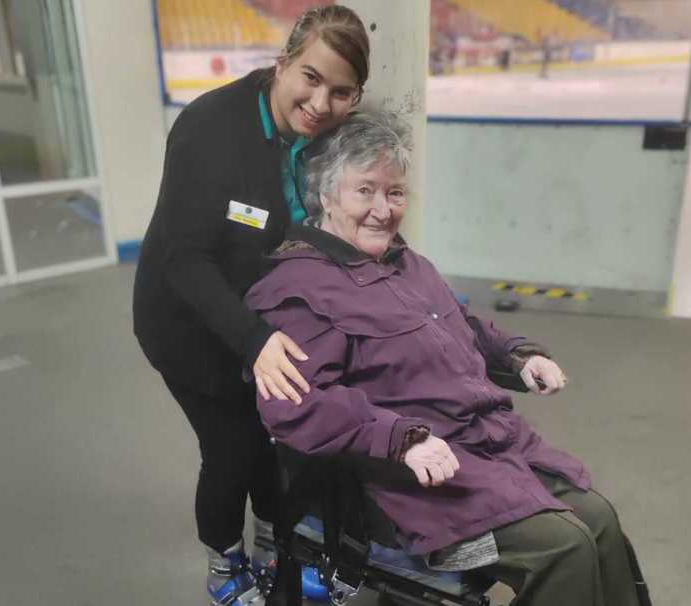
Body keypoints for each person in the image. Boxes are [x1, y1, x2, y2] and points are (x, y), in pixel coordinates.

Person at [244, 112, 647, 606]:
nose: (383, 209)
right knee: (564, 549)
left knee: (599, 520)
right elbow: (295, 403)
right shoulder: (299, 289)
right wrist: (399, 438)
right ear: (326, 196)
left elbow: (458, 327)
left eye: (395, 193)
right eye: (364, 191)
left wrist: (517, 357)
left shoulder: (405, 264)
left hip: (485, 447)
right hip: (404, 481)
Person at [132, 6, 370, 605]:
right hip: (188, 323)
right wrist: (254, 339)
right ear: (283, 62)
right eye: (311, 78)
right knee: (232, 450)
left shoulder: (334, 138)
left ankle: (274, 551)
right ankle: (225, 567)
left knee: (278, 441)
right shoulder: (210, 127)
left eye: (341, 91)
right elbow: (184, 262)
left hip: (264, 319)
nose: (321, 103)